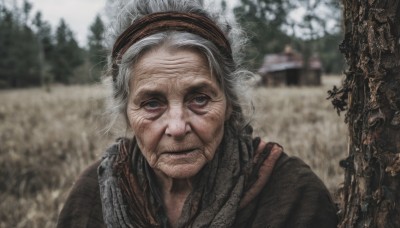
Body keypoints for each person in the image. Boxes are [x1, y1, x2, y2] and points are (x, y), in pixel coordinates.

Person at [57, 0, 338, 227]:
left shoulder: (292, 194)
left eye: (200, 99)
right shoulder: (94, 195)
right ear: (126, 112)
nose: (177, 127)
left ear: (230, 103)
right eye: (152, 103)